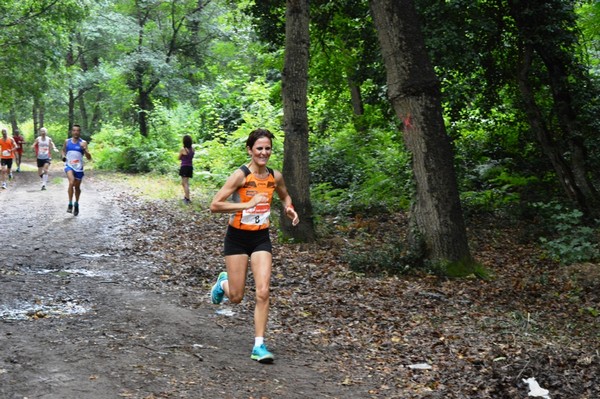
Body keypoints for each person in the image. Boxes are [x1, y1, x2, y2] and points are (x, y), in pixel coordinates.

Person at [209, 128, 300, 364]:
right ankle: (223, 283)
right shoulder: (240, 176)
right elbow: (215, 205)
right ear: (250, 150)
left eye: (267, 148)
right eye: (259, 148)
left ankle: (259, 345)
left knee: (263, 291)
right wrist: (247, 204)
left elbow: (284, 196)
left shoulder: (274, 176)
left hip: (261, 238)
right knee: (237, 297)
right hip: (237, 238)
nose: (264, 152)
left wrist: (289, 208)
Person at [62, 125, 92, 216]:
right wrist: (63, 156)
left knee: (77, 187)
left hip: (79, 167)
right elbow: (63, 151)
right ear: (72, 132)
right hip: (69, 165)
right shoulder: (67, 141)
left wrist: (85, 150)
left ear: (79, 132)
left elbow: (89, 157)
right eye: (74, 130)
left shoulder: (83, 142)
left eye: (78, 131)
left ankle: (76, 204)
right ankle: (70, 204)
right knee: (71, 182)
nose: (76, 132)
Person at [178, 135, 195, 204]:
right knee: (184, 183)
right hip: (190, 167)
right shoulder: (192, 149)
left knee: (185, 183)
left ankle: (187, 199)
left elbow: (179, 158)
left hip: (184, 167)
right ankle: (186, 196)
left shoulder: (183, 149)